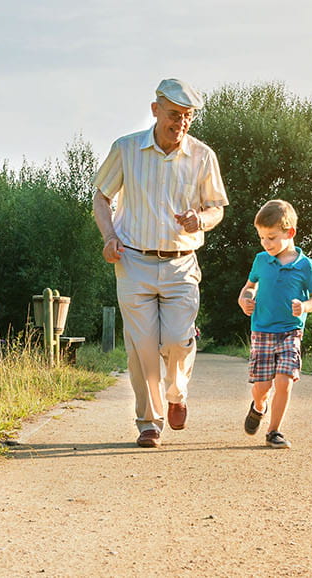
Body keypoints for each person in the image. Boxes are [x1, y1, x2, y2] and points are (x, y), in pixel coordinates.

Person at [93, 78, 228, 448]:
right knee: (143, 347)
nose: (180, 124)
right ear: (155, 110)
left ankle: (177, 393)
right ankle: (149, 423)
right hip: (133, 260)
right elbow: (101, 198)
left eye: (187, 117)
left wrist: (201, 219)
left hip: (181, 264)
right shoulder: (126, 149)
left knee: (177, 341)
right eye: (174, 115)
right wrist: (109, 237)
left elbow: (216, 207)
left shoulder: (203, 156)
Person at [237, 200, 312, 449]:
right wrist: (245, 300)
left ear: (290, 233)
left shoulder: (306, 266)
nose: (266, 244)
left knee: (284, 381)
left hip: (290, 330)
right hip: (262, 330)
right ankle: (258, 406)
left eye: (272, 238)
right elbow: (249, 287)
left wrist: (305, 306)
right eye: (262, 238)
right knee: (262, 387)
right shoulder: (261, 260)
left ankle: (274, 430)